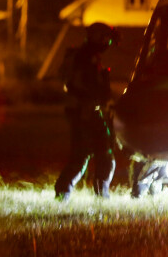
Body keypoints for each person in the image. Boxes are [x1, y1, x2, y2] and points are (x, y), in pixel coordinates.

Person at [55, 22, 117, 201]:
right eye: (106, 39)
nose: (107, 44)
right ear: (97, 38)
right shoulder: (85, 58)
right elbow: (86, 86)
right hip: (83, 111)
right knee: (89, 153)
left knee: (94, 153)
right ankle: (66, 192)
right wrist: (101, 98)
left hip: (85, 110)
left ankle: (67, 192)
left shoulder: (87, 56)